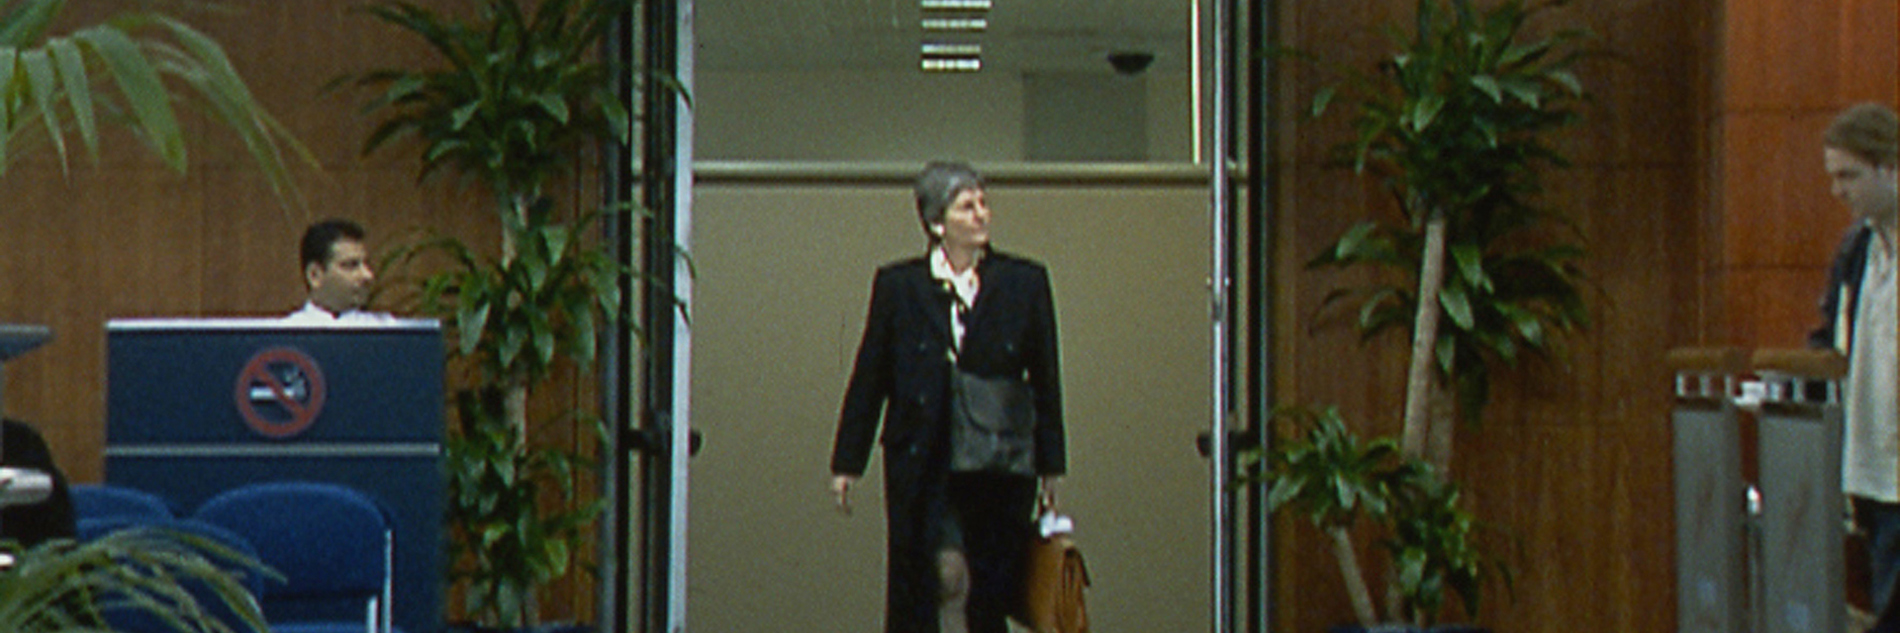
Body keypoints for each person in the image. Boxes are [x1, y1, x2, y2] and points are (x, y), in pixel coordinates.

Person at [830, 161, 1067, 633]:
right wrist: (847, 461)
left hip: (997, 459)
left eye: (983, 203)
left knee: (987, 583)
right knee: (938, 575)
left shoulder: (1022, 283)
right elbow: (872, 373)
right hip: (925, 456)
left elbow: (1045, 376)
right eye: (966, 206)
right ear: (937, 222)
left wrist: (1050, 463)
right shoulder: (901, 287)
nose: (981, 215)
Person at [1809, 102, 1900, 632]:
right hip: (1873, 468)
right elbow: (1831, 336)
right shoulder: (1859, 249)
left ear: (1890, 167)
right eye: (1833, 176)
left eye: (1849, 175)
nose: (1838, 190)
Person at [284, 219, 396, 325]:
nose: (368, 275)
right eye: (351, 265)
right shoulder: (285, 334)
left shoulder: (390, 333)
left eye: (367, 265)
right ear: (315, 275)